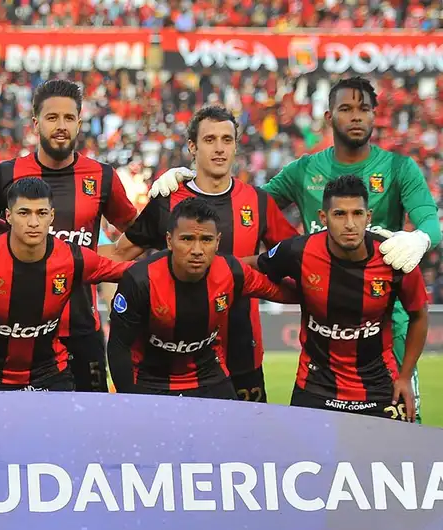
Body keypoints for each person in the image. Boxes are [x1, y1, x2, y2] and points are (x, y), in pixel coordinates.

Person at [149, 77, 440, 420]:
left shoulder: (398, 168)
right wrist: (190, 184)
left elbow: (430, 224)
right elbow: (242, 206)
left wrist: (419, 238)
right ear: (329, 116)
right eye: (347, 109)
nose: (356, 117)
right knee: (319, 438)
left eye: (364, 109)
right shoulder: (305, 171)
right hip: (323, 320)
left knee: (403, 430)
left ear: (376, 115)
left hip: (386, 323)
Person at [0, 79, 137, 393]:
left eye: (69, 118)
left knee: (88, 430)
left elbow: (137, 236)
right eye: (52, 118)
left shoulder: (103, 177)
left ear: (79, 123)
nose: (61, 126)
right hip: (14, 336)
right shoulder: (5, 176)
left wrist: (107, 258)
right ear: (36, 123)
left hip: (81, 330)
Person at [107, 105, 299, 402]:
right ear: (192, 147)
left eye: (227, 139)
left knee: (243, 444)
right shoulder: (168, 200)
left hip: (241, 350)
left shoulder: (258, 202)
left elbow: (296, 255)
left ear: (236, 145)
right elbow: (119, 255)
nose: (220, 149)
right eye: (210, 140)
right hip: (171, 357)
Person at [0, 178, 133, 391]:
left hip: (50, 374)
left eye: (41, 213)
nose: (34, 222)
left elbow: (133, 272)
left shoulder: (73, 258)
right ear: (8, 216)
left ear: (52, 217)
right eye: (24, 213)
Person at [255, 175, 428, 421]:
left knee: (388, 457)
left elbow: (419, 315)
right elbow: (253, 268)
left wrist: (404, 377)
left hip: (378, 387)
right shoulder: (298, 251)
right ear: (323, 218)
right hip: (315, 386)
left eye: (357, 214)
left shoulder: (395, 257)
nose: (350, 224)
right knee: (304, 459)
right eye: (339, 214)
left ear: (368, 217)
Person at [107, 197, 295, 399]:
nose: (197, 251)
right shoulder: (140, 280)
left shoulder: (232, 272)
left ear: (217, 242)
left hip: (209, 378)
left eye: (206, 240)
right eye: (187, 239)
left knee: (234, 430)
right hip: (150, 381)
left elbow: (281, 292)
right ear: (169, 241)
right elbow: (119, 345)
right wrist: (129, 399)